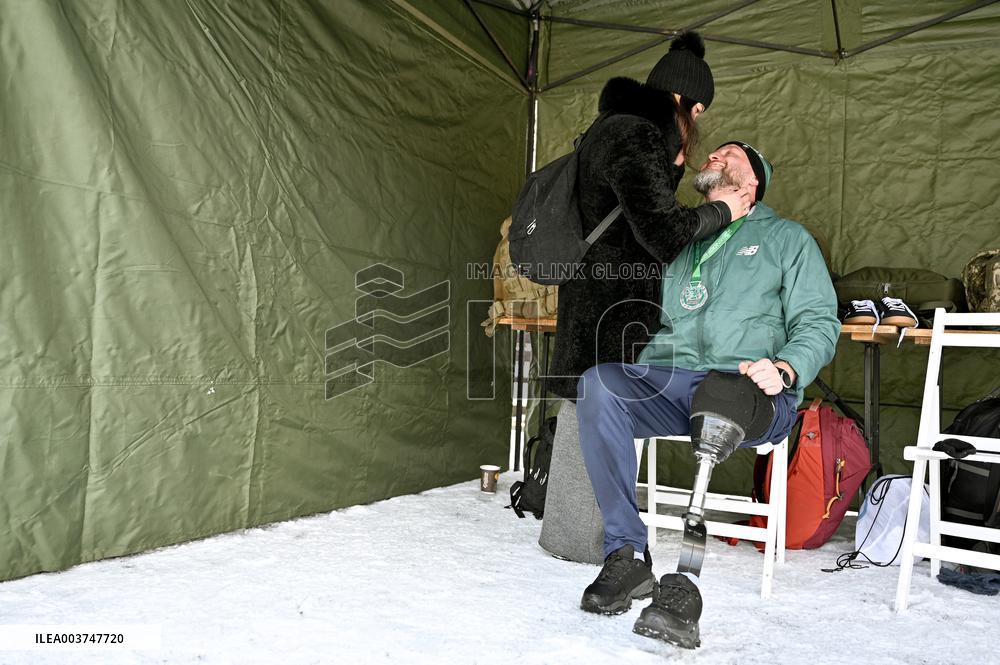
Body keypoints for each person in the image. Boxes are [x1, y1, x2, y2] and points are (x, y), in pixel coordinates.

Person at [574, 141, 840, 647]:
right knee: (598, 384)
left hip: (753, 390)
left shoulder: (787, 239)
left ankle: (683, 586)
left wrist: (786, 367)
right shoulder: (683, 239)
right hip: (674, 380)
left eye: (729, 153)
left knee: (720, 392)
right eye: (712, 152)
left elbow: (820, 322)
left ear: (754, 180)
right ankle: (626, 554)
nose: (715, 156)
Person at [545, 31, 751, 403]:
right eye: (697, 111)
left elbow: (633, 206)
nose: (695, 122)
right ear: (682, 100)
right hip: (609, 310)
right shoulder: (637, 134)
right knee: (593, 416)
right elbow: (663, 234)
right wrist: (724, 210)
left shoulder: (613, 125)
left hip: (594, 300)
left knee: (587, 409)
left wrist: (672, 165)